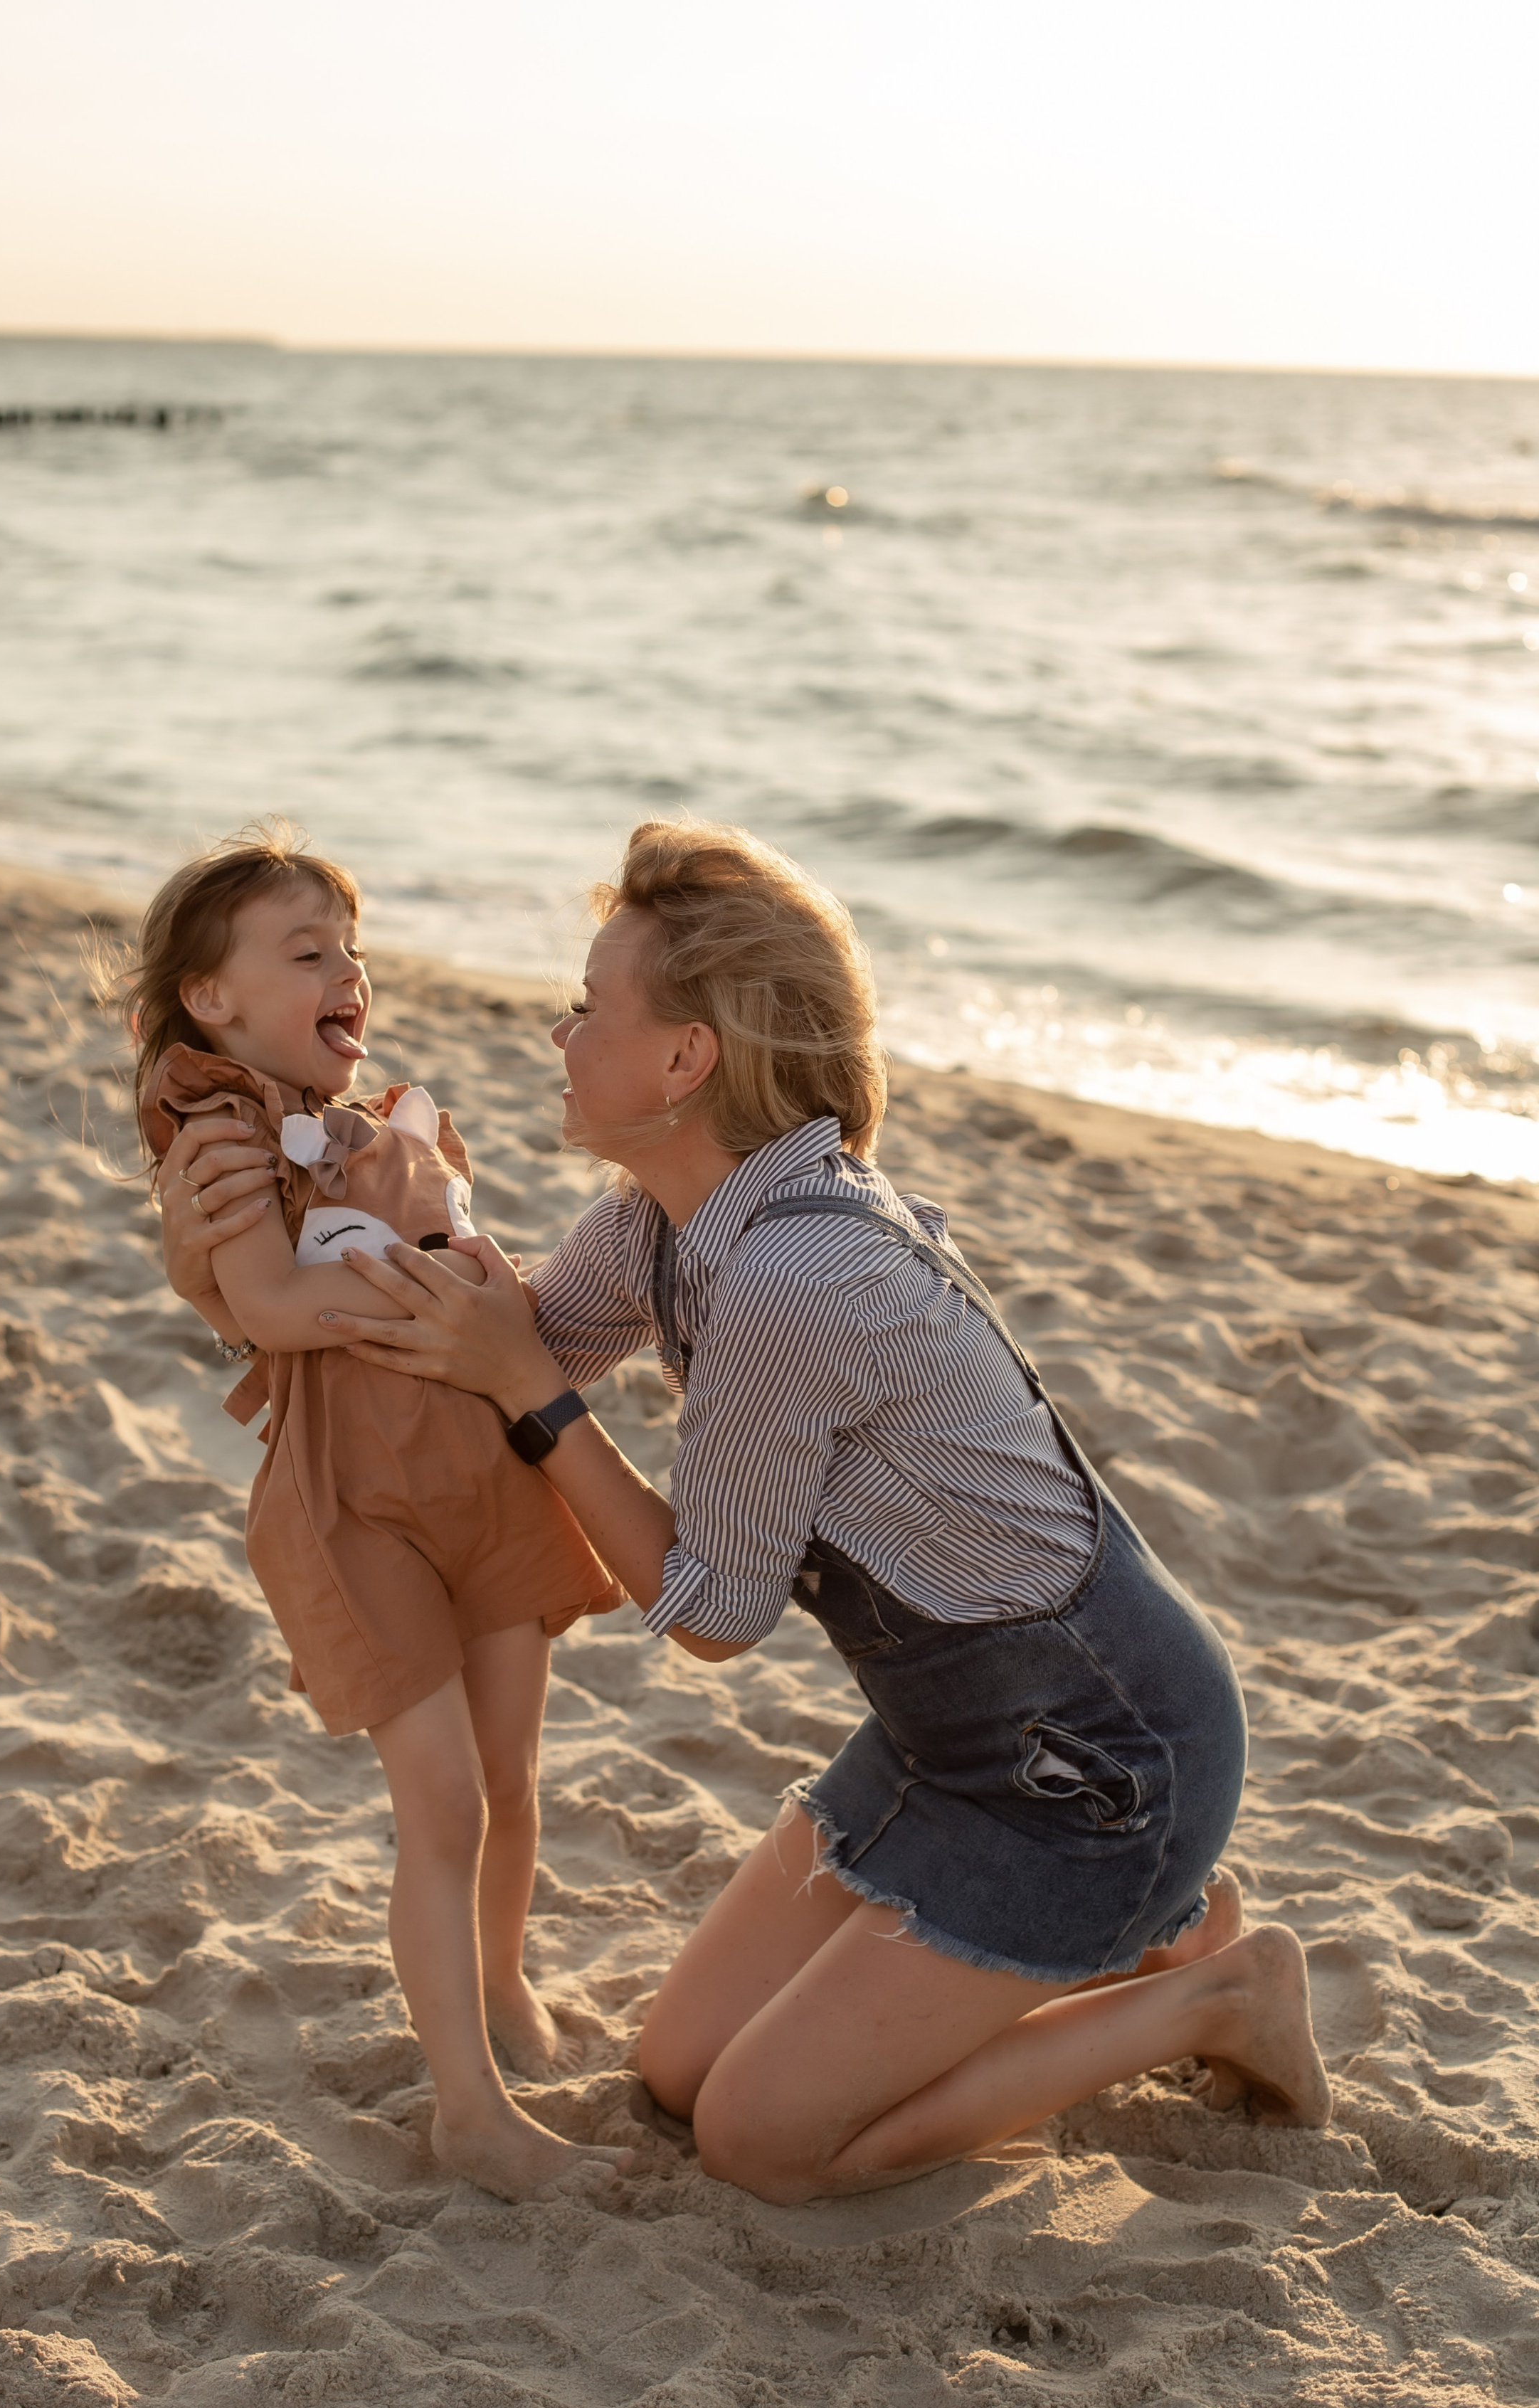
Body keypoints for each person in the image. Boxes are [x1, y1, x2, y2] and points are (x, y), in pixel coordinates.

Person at [158, 818, 1331, 2206]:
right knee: (675, 2069)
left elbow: (711, 1613)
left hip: (1097, 1762)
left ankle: (1215, 1995)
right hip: (944, 1744)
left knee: (762, 2143)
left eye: (589, 1008)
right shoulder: (657, 1226)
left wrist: (537, 1396)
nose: (555, 1030)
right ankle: (1158, 1936)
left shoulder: (794, 1280)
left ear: (682, 1060)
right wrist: (221, 1270)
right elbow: (478, 1339)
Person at [124, 824, 625, 2202]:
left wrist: (483, 1300)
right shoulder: (222, 1139)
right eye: (306, 953)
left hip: (482, 1472)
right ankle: (465, 2110)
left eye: (353, 949)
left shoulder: (390, 1128)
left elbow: (489, 1275)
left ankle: (505, 1984)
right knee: (444, 1803)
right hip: (353, 1500)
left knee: (515, 1780)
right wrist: (428, 1304)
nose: (347, 970)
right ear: (209, 1002)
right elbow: (275, 1304)